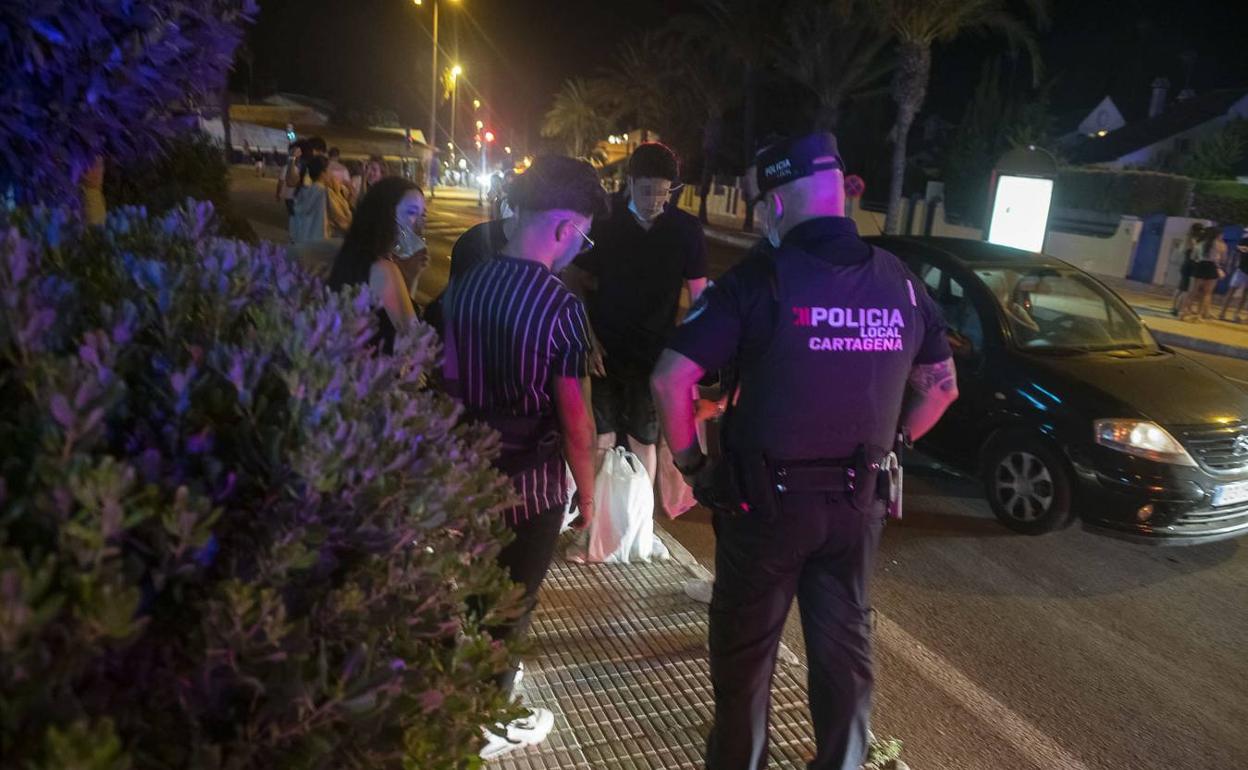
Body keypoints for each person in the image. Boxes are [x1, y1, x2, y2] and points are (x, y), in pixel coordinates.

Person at [650, 132, 958, 770]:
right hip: (856, 507)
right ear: (839, 194)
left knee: (746, 662)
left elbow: (669, 377)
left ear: (776, 205)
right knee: (844, 653)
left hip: (763, 508)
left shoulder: (759, 279)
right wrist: (892, 444)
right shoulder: (900, 283)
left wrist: (690, 465)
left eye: (763, 208)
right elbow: (942, 391)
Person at [439, 156, 604, 759]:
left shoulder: (465, 285)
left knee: (477, 594)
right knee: (513, 603)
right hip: (531, 484)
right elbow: (576, 421)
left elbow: (446, 379)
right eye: (581, 236)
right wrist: (588, 497)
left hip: (465, 470)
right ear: (562, 228)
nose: (578, 250)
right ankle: (489, 719)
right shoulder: (560, 307)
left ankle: (473, 691)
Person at [563, 142, 708, 482]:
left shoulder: (686, 230)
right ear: (629, 182)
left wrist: (689, 356)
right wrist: (587, 336)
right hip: (603, 350)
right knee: (600, 435)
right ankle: (595, 517)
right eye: (646, 192)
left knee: (645, 438)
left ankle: (636, 523)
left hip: (655, 355)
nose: (655, 202)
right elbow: (572, 276)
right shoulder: (603, 218)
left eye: (664, 193)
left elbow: (700, 298)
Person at [326, 177, 429, 354]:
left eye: (423, 215)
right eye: (412, 213)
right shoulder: (383, 269)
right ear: (385, 215)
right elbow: (415, 343)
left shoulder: (356, 256)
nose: (420, 225)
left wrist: (411, 278)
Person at [291, 156, 353, 244]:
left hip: (301, 242)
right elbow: (343, 219)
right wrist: (339, 194)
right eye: (330, 171)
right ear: (324, 173)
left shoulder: (303, 191)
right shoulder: (325, 192)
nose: (331, 175)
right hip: (320, 245)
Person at [1184, 228, 1227, 322]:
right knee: (1207, 293)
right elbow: (1223, 259)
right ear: (1217, 235)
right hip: (1211, 267)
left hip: (1200, 266)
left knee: (1193, 291)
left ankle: (1184, 312)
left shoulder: (1200, 243)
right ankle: (1199, 315)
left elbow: (1193, 257)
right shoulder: (1220, 245)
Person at [1171, 223, 1204, 316]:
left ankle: (1174, 307)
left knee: (1181, 287)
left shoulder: (1187, 238)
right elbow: (1195, 252)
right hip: (1190, 264)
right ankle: (1179, 308)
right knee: (1186, 289)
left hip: (1185, 263)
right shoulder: (1193, 240)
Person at [1220, 229, 1248, 323]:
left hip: (1242, 269)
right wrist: (1242, 248)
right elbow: (1237, 248)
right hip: (1242, 268)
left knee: (1244, 294)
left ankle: (1236, 315)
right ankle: (1222, 313)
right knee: (1232, 290)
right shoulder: (1245, 238)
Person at [275, 143, 302, 219]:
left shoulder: (286, 168)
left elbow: (280, 182)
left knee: (293, 215)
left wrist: (278, 194)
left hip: (290, 196)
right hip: (297, 196)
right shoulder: (301, 168)